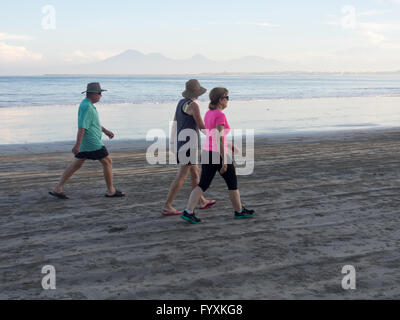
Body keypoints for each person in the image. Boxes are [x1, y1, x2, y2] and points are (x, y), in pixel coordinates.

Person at [181, 87, 255, 224]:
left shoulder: (209, 113)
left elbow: (213, 135)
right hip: (218, 155)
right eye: (227, 97)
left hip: (207, 152)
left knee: (203, 184)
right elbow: (219, 138)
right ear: (220, 99)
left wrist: (229, 145)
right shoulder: (220, 115)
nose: (228, 101)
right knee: (232, 184)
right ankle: (239, 211)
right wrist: (224, 162)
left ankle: (188, 211)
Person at [49, 82, 125, 199]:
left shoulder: (88, 105)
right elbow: (82, 126)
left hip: (88, 141)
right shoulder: (87, 107)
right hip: (92, 142)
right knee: (107, 161)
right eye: (99, 93)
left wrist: (105, 131)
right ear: (93, 94)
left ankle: (57, 188)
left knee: (76, 165)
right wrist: (77, 145)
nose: (101, 95)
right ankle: (111, 190)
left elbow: (93, 122)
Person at [162, 79, 216, 216]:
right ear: (196, 92)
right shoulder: (193, 106)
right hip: (189, 145)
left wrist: (173, 143)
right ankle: (167, 205)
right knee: (181, 175)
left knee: (195, 173)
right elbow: (201, 126)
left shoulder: (181, 103)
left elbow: (174, 123)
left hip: (183, 142)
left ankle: (201, 201)